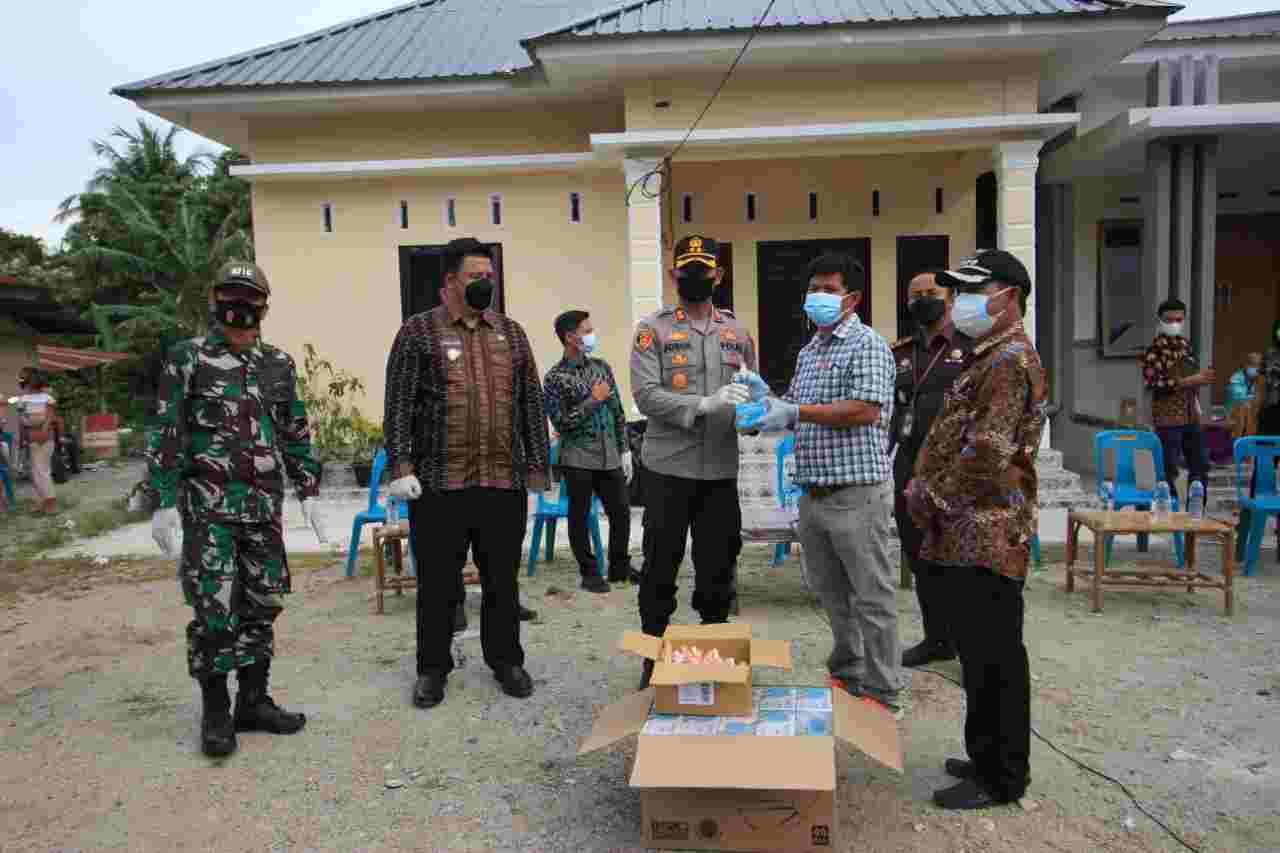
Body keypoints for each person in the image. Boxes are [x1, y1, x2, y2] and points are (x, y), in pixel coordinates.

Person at [147, 261, 326, 759]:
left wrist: (308, 490)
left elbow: (295, 429)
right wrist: (162, 501)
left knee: (263, 603)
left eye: (250, 298)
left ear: (265, 306)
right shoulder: (188, 359)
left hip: (263, 510)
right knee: (214, 610)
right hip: (209, 513)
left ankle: (252, 701)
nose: (240, 306)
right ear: (214, 299)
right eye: (230, 295)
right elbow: (166, 430)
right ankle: (215, 712)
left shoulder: (278, 364)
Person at [905, 250, 1047, 810]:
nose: (960, 301)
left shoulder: (1009, 359)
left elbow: (987, 451)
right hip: (964, 531)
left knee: (995, 656)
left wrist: (931, 497)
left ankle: (1002, 775)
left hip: (986, 531)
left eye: (972, 289)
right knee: (979, 652)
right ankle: (986, 754)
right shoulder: (985, 355)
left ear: (1007, 296)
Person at [383, 237, 550, 710]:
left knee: (503, 580)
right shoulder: (418, 332)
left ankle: (506, 661)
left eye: (490, 277)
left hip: (502, 481)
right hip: (439, 484)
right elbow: (398, 403)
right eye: (476, 276)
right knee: (437, 583)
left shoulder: (512, 334)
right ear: (451, 281)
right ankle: (432, 669)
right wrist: (402, 466)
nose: (486, 284)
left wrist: (537, 466)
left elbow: (530, 404)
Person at [734, 252, 900, 716]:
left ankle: (884, 690)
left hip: (856, 492)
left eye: (829, 289)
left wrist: (796, 412)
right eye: (814, 289)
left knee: (872, 595)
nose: (818, 297)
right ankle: (848, 671)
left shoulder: (867, 344)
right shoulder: (810, 350)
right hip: (814, 493)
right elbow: (800, 413)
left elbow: (866, 408)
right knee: (831, 593)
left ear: (854, 297)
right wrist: (769, 404)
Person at [630, 234, 755, 688]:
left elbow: (750, 389)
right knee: (660, 567)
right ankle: (652, 659)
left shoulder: (737, 332)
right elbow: (645, 395)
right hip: (668, 470)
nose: (697, 277)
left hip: (720, 470)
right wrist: (700, 406)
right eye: (689, 270)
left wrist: (756, 409)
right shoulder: (654, 330)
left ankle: (715, 659)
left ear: (719, 275)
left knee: (718, 567)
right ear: (674, 275)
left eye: (705, 270)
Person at [891, 272, 975, 669]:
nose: (924, 300)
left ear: (952, 298)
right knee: (920, 554)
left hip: (955, 466)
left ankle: (969, 640)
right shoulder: (900, 353)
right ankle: (937, 638)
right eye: (916, 295)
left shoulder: (972, 349)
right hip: (909, 465)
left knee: (957, 555)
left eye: (932, 294)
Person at [543, 310, 639, 592]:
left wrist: (624, 449)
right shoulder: (555, 378)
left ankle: (619, 567)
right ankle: (589, 571)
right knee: (580, 515)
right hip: (578, 457)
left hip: (609, 454)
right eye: (586, 330)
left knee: (621, 512)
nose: (591, 334)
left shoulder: (601, 367)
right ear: (570, 337)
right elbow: (562, 422)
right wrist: (593, 401)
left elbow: (618, 410)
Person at [1140, 298, 1214, 507]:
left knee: (1199, 464)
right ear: (1160, 320)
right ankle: (1168, 510)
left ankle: (1196, 509)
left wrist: (1201, 378)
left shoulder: (1185, 345)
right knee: (1168, 467)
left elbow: (1191, 376)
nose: (1174, 323)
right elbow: (1152, 382)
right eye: (1169, 319)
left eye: (1178, 319)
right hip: (1167, 416)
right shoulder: (1154, 350)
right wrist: (1188, 381)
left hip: (1191, 413)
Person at [15, 367, 59, 514]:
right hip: (37, 438)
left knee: (41, 470)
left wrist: (41, 434)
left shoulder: (45, 399)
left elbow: (48, 418)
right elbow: (23, 422)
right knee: (36, 470)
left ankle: (51, 502)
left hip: (41, 438)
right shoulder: (25, 400)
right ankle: (39, 502)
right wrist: (25, 439)